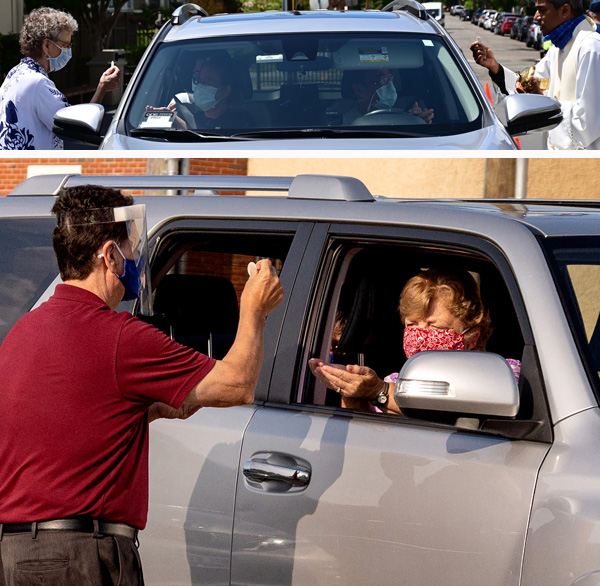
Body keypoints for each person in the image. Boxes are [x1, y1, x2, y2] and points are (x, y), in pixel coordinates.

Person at [0, 185, 284, 585]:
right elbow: (237, 385)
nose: (135, 258)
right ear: (109, 255)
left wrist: (146, 411)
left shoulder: (22, 331)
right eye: (130, 248)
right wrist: (254, 308)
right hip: (81, 556)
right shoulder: (119, 335)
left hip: (17, 554)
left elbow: (62, 421)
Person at [309, 268, 520, 414]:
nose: (420, 335)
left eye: (435, 327)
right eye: (412, 325)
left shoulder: (504, 375)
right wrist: (351, 390)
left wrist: (378, 392)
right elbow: (367, 434)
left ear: (473, 335)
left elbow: (447, 409)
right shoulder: (396, 381)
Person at [470, 0, 600, 150]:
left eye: (542, 10)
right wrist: (495, 67)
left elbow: (588, 124)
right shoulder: (558, 47)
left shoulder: (591, 48)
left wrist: (545, 104)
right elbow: (528, 85)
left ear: (564, 10)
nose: (536, 17)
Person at [0, 7, 120, 150]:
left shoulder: (14, 74)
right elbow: (78, 126)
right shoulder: (39, 83)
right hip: (34, 167)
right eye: (65, 45)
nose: (68, 52)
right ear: (46, 45)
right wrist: (102, 88)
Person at [145, 54, 252, 131]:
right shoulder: (195, 117)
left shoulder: (241, 121)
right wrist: (170, 117)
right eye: (197, 79)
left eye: (207, 81)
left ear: (225, 91)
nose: (199, 86)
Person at [328, 68, 434, 125]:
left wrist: (419, 124)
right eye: (382, 79)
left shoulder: (407, 114)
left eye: (390, 78)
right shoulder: (344, 124)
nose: (390, 84)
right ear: (359, 89)